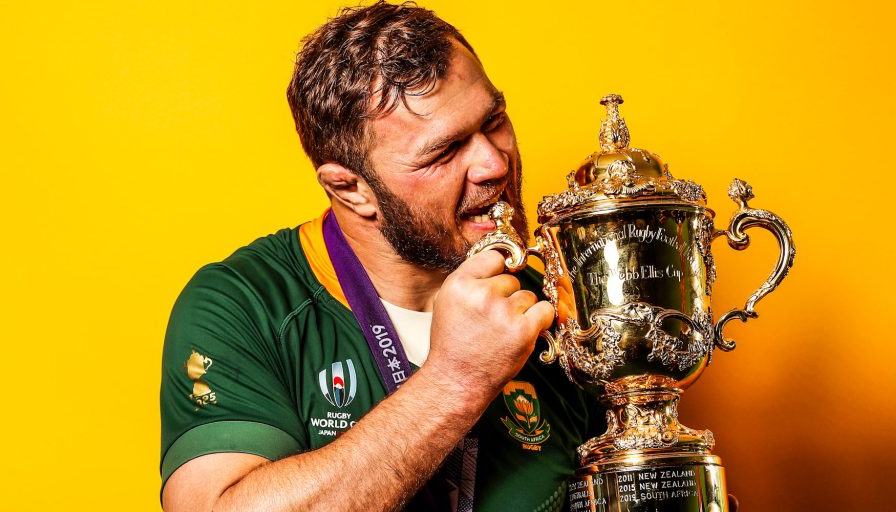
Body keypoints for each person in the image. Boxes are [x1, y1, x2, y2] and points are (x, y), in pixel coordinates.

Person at [159, 2, 602, 511]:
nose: (493, 162)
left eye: (494, 121)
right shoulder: (244, 305)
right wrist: (456, 381)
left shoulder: (562, 301)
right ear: (351, 190)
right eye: (444, 151)